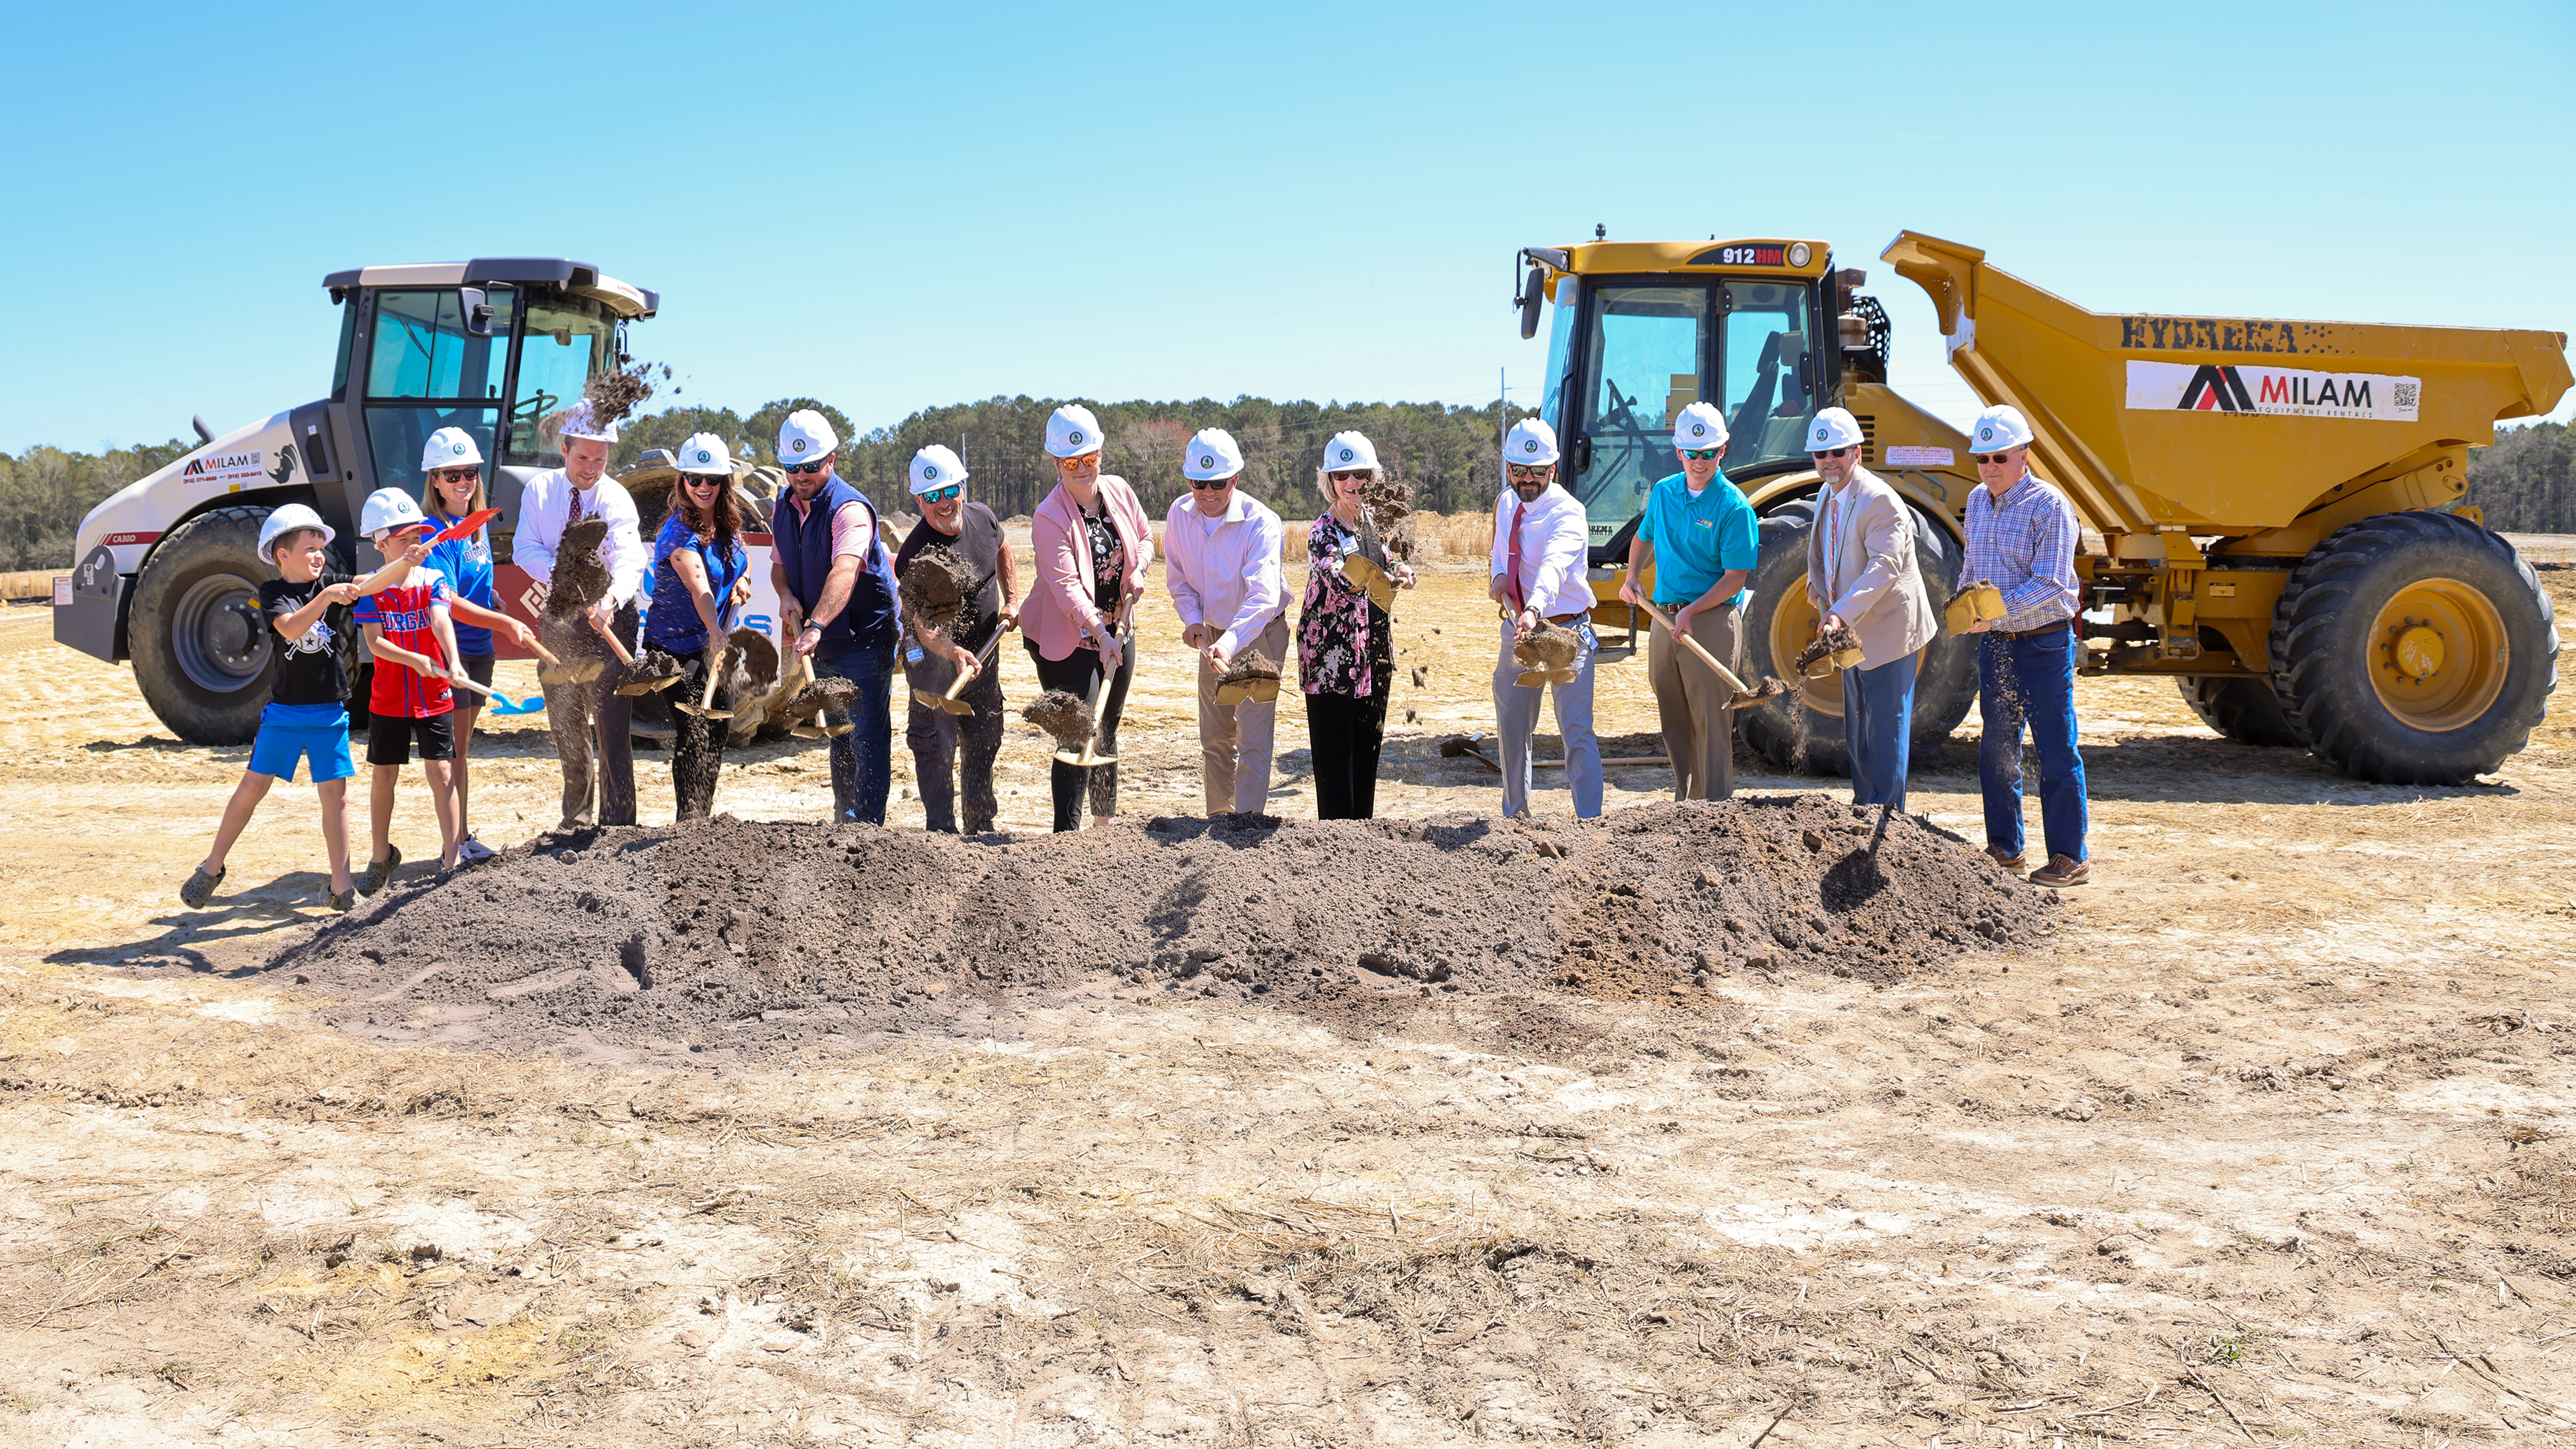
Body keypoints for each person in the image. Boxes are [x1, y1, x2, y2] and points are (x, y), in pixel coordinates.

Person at [178, 504, 426, 912]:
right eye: (310, 548)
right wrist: (327, 596)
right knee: (252, 788)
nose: (319, 556)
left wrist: (404, 562)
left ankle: (341, 887)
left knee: (336, 798)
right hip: (285, 714)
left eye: (321, 549)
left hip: (329, 713)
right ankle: (211, 867)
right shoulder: (272, 593)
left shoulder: (331, 581)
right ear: (283, 555)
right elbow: (292, 628)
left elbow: (370, 583)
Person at [1958, 404, 2089, 887]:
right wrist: (1967, 603)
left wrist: (1993, 610)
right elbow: (1973, 567)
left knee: (2056, 749)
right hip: (1997, 644)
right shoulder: (1976, 501)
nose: (1990, 467)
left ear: (2024, 455)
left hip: (2045, 644)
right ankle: (2005, 847)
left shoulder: (2049, 505)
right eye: (1982, 459)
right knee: (1997, 747)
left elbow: (2053, 584)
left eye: (1999, 457)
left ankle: (2070, 856)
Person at [769, 408, 904, 826]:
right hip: (824, 636)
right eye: (792, 467)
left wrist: (815, 625)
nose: (801, 476)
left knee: (866, 735)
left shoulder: (850, 510)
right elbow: (780, 561)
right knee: (839, 734)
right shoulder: (785, 504)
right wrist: (786, 593)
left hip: (863, 637)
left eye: (810, 466)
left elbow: (844, 571)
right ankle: (844, 823)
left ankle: (866, 830)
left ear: (832, 459)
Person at [1619, 401, 1759, 801]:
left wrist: (1692, 612)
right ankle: (1685, 805)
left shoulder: (1734, 507)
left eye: (1709, 453)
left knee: (1711, 723)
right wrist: (1632, 578)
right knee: (1673, 717)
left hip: (1710, 621)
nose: (1700, 462)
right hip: (1663, 619)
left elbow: (1735, 578)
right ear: (1679, 452)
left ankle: (1714, 810)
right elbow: (1644, 538)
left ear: (1723, 450)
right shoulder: (1663, 493)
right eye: (1692, 454)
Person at [518, 402, 647, 830]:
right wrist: (567, 579)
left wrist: (608, 599)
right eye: (582, 458)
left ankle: (617, 826)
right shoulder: (538, 492)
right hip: (559, 623)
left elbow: (630, 558)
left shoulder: (617, 498)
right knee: (567, 726)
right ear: (564, 449)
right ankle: (576, 819)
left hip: (609, 621)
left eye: (600, 459)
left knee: (612, 733)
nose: (591, 468)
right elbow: (525, 549)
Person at [1801, 406, 1938, 810]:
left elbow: (1886, 567)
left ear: (1856, 453)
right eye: (1821, 454)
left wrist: (1841, 611)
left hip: (1888, 629)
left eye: (1838, 452)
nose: (1829, 461)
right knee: (1859, 726)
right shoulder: (1829, 493)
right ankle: (1865, 804)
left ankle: (1888, 816)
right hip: (1849, 627)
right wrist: (1817, 589)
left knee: (1886, 726)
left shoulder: (1880, 500)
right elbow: (1824, 552)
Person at [1025, 404, 1151, 831]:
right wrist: (1099, 633)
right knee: (1078, 731)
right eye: (1070, 461)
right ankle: (1067, 837)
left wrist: (1140, 568)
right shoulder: (1048, 516)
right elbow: (1067, 592)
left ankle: (1104, 829)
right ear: (1057, 462)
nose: (1082, 468)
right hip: (1068, 638)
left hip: (1119, 627)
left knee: (1108, 726)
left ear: (1101, 452)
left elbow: (1146, 537)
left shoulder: (1118, 490)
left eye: (1090, 458)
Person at [894, 444, 1018, 834]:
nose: (944, 503)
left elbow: (1003, 549)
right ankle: (941, 836)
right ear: (918, 500)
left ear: (962, 488)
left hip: (984, 651)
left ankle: (980, 827)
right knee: (935, 747)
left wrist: (1012, 599)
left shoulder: (984, 518)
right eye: (932, 496)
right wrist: (952, 652)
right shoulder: (915, 554)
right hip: (933, 658)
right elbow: (923, 626)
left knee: (984, 739)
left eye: (950, 491)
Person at [1163, 427, 1287, 816]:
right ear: (1189, 480)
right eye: (1199, 483)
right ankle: (1219, 819)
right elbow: (1179, 579)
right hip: (1212, 633)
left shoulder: (1261, 522)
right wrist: (1194, 619)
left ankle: (1247, 824)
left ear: (1235, 479)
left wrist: (1230, 644)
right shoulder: (1178, 515)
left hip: (1258, 634)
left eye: (1218, 482)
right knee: (1215, 734)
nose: (1208, 492)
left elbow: (1263, 596)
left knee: (1252, 735)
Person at [351, 489, 469, 887]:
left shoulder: (433, 579)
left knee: (441, 770)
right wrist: (416, 661)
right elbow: (374, 642)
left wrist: (452, 661)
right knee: (384, 775)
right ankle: (381, 856)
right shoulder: (369, 587)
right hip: (387, 699)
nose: (413, 543)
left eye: (416, 535)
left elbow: (441, 621)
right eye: (403, 538)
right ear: (380, 543)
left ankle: (452, 861)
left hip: (434, 696)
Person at [1486, 419, 1601, 819]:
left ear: (1554, 469)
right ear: (1508, 469)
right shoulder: (1506, 504)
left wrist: (1534, 610)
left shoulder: (1569, 513)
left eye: (1538, 471)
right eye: (1520, 471)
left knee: (1576, 731)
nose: (1528, 480)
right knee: (1513, 726)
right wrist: (1499, 579)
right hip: (1519, 629)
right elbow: (1502, 557)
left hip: (1565, 632)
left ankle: (1590, 822)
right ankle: (1515, 818)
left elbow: (1553, 567)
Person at [1299, 431, 1415, 819]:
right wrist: (1378, 575)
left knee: (1366, 759)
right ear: (1329, 482)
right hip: (1332, 663)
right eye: (1341, 475)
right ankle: (1334, 853)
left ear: (1372, 477)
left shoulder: (1372, 523)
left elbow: (1386, 561)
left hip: (1373, 658)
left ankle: (1362, 851)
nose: (1352, 483)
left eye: (1360, 474)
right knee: (1336, 769)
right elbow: (1339, 579)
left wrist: (1401, 570)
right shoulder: (1323, 532)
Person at [646, 434, 754, 822]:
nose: (703, 487)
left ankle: (703, 819)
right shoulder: (677, 532)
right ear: (682, 482)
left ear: (725, 483)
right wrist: (715, 627)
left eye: (712, 479)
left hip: (713, 642)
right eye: (694, 478)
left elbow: (744, 561)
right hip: (674, 645)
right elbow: (699, 586)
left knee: (719, 728)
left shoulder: (727, 525)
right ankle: (688, 822)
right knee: (694, 728)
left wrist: (743, 580)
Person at [421, 427, 502, 862]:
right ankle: (454, 844)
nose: (462, 482)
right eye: (451, 475)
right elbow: (447, 601)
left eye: (469, 472)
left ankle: (462, 837)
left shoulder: (475, 525)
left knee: (462, 748)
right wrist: (504, 621)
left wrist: (497, 601)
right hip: (455, 650)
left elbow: (474, 584)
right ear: (434, 480)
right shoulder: (436, 533)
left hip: (480, 647)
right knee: (452, 752)